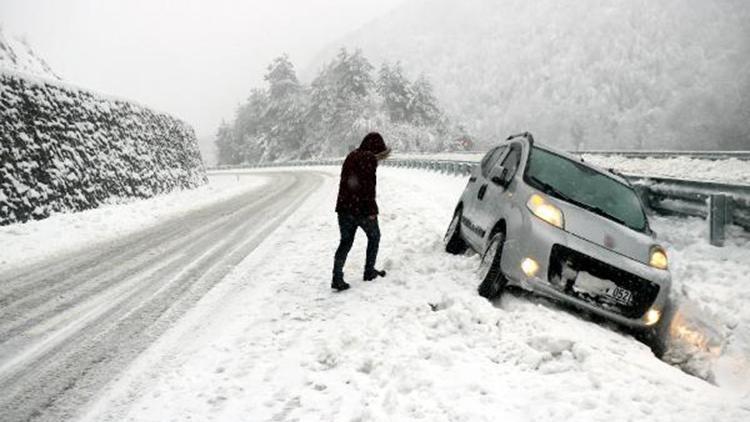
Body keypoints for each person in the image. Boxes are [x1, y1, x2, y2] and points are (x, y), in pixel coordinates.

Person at [332, 132, 391, 291]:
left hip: (344, 208)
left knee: (345, 242)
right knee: (375, 237)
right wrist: (371, 210)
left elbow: (347, 182)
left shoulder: (351, 155)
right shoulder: (369, 159)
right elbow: (368, 188)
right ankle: (369, 271)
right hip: (362, 210)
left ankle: (337, 277)